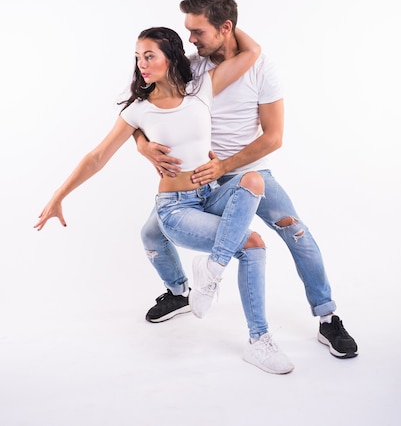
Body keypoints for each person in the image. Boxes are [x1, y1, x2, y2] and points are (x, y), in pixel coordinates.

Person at [34, 25, 294, 375]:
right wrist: (58, 195)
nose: (141, 63)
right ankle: (258, 340)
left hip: (209, 194)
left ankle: (211, 269)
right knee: (253, 243)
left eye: (149, 55)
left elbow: (251, 53)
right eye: (138, 57)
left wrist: (223, 19)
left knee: (252, 178)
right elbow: (97, 157)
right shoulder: (138, 111)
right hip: (176, 208)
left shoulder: (202, 89)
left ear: (172, 57)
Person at [137, 0, 358, 360]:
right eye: (188, 31)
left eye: (198, 31)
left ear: (226, 28)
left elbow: (274, 137)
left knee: (296, 232)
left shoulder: (262, 68)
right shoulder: (192, 67)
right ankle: (179, 292)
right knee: (150, 234)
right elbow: (144, 110)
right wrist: (144, 147)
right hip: (197, 180)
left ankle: (328, 317)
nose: (190, 39)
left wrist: (224, 166)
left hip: (247, 172)